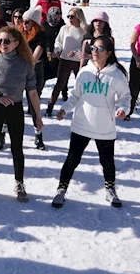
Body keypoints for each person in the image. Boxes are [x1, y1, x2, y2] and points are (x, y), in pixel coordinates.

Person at [51, 37, 130, 208]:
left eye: (100, 49)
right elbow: (75, 95)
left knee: (107, 161)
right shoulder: (84, 72)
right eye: (93, 48)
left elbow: (125, 97)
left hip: (104, 127)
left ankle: (110, 190)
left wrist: (124, 109)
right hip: (82, 124)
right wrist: (64, 109)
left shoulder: (116, 75)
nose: (95, 51)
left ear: (109, 53)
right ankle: (61, 189)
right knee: (72, 159)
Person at [0, 27, 42, 201]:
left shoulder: (25, 64)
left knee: (17, 149)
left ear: (16, 43)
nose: (3, 44)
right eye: (0, 41)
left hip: (15, 109)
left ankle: (19, 183)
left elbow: (32, 92)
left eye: (7, 41)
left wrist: (39, 118)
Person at [47, 8, 86, 117]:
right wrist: (57, 49)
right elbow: (58, 41)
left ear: (79, 17)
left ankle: (83, 108)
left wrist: (77, 52)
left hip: (79, 61)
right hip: (65, 60)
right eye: (68, 16)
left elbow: (86, 45)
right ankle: (50, 105)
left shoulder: (84, 30)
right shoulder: (65, 28)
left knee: (80, 84)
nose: (70, 19)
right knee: (60, 83)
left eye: (72, 16)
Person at [20, 7, 47, 149]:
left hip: (34, 72)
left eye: (27, 22)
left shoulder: (41, 36)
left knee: (34, 105)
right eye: (23, 21)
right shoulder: (20, 34)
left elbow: (35, 56)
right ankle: (3, 134)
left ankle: (38, 135)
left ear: (34, 23)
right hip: (19, 71)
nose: (24, 24)